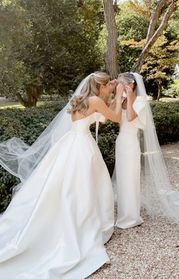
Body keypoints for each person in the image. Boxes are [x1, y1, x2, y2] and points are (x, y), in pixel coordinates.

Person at [0, 72, 123, 279]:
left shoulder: (82, 100)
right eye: (107, 85)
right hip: (82, 147)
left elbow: (101, 115)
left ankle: (70, 218)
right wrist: (119, 96)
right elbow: (116, 117)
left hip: (70, 144)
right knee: (82, 186)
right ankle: (80, 225)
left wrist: (112, 95)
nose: (109, 88)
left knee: (70, 187)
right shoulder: (94, 100)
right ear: (100, 86)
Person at [113, 72, 179, 229]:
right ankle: (124, 212)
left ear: (131, 85)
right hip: (120, 143)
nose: (118, 86)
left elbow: (130, 117)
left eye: (121, 83)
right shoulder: (121, 100)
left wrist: (129, 98)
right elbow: (114, 118)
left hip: (130, 144)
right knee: (123, 178)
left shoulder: (140, 102)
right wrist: (118, 98)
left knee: (130, 178)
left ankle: (131, 217)